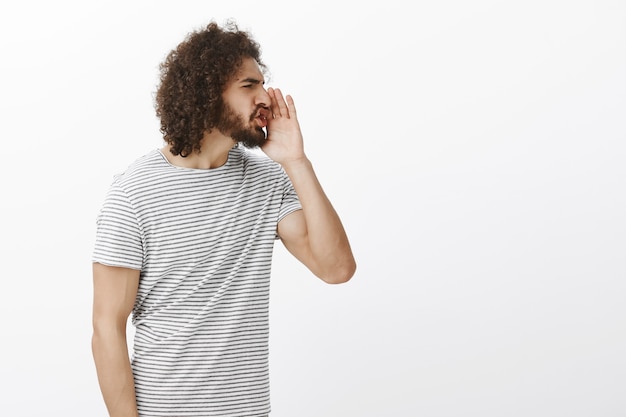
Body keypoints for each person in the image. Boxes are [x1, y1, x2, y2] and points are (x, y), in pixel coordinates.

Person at [91, 20, 356, 417]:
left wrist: (297, 162)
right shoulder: (134, 194)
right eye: (249, 86)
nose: (265, 97)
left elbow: (336, 269)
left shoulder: (268, 182)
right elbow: (106, 329)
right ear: (206, 94)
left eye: (263, 84)